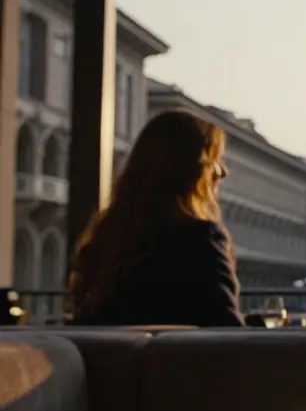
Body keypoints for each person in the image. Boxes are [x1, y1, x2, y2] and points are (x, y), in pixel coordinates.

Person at [68, 111, 244, 327]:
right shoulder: (200, 240)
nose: (222, 172)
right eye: (215, 160)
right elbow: (226, 333)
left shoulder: (107, 238)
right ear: (194, 171)